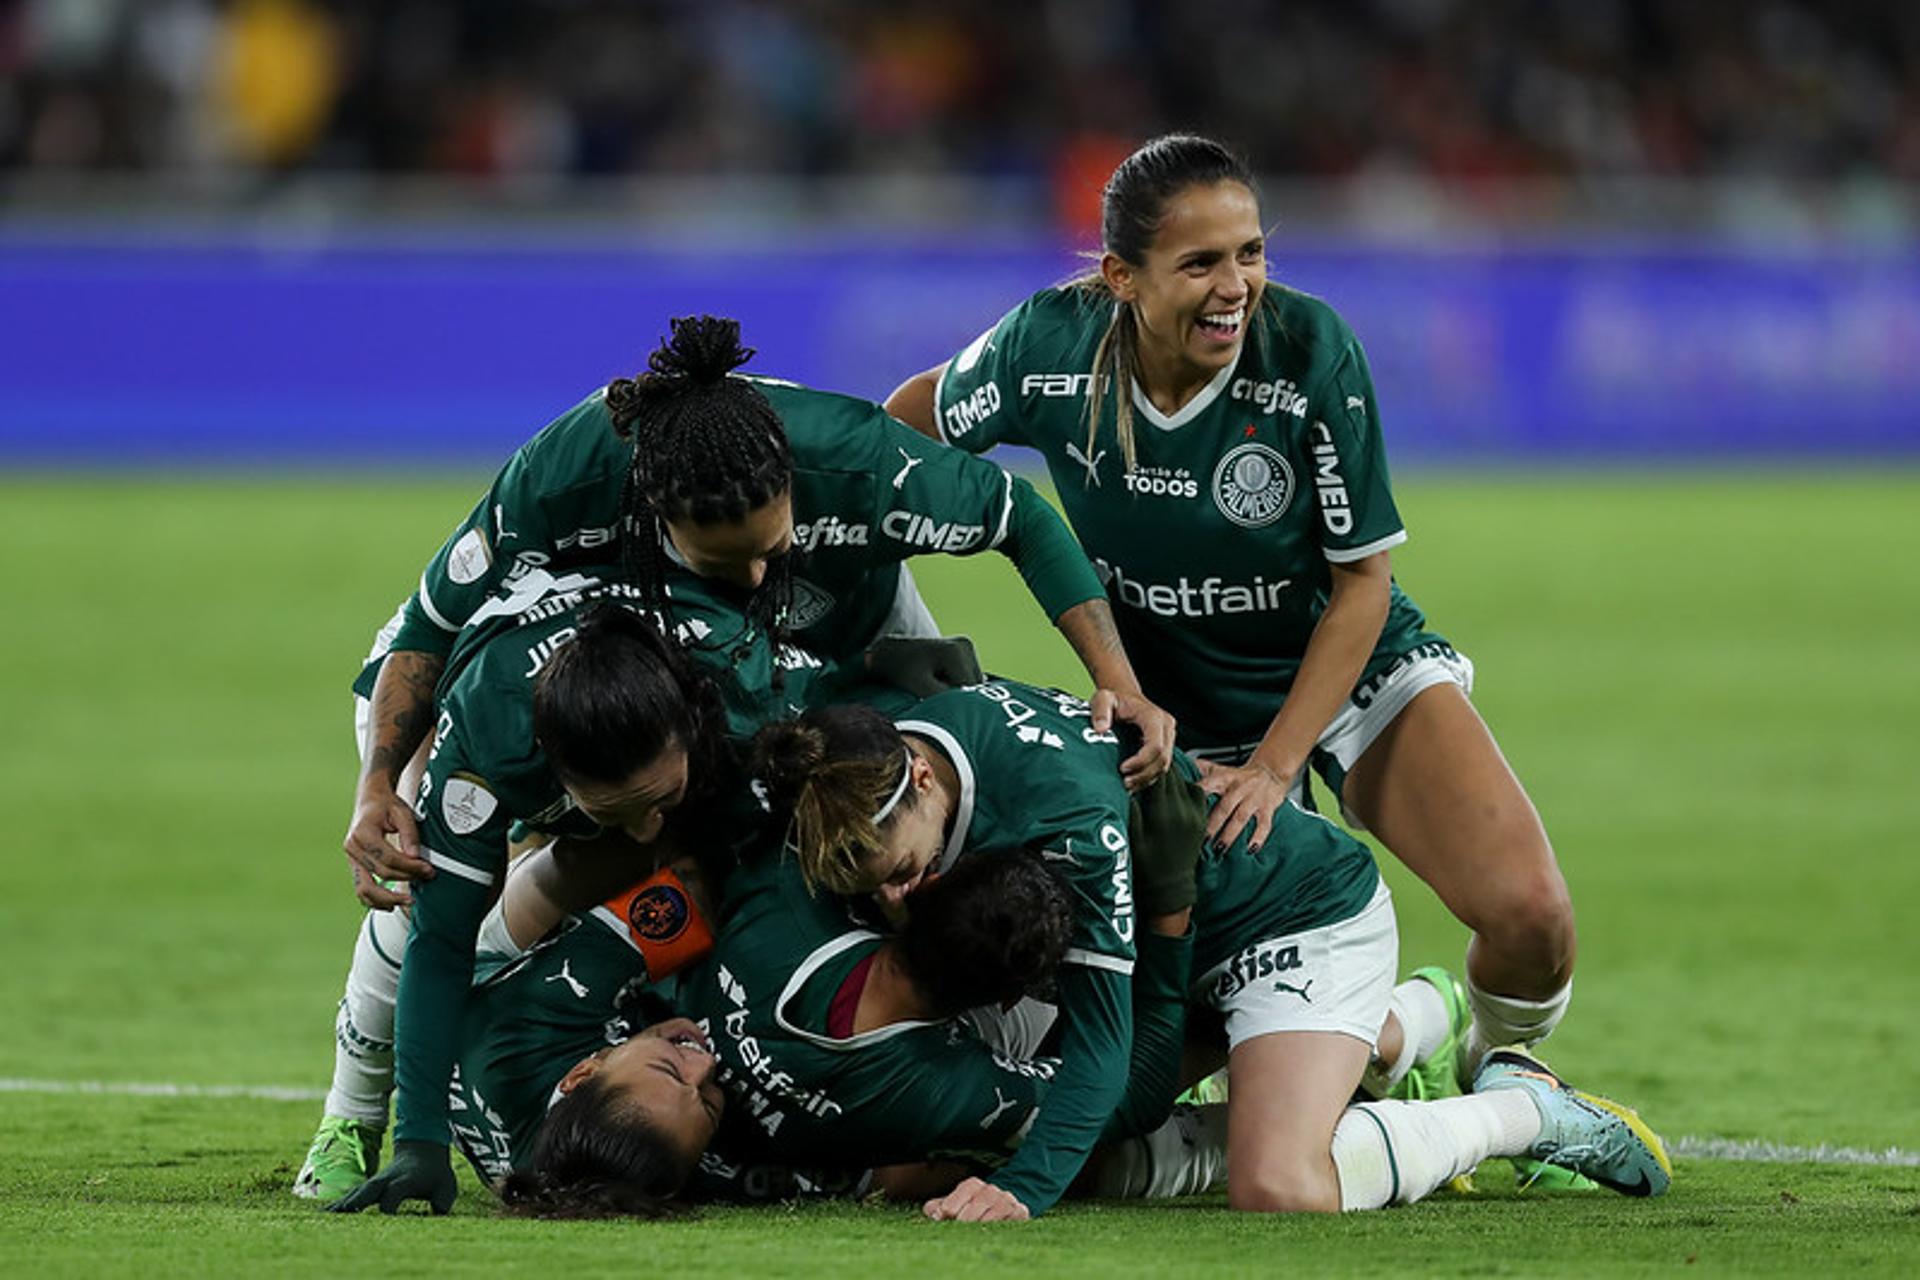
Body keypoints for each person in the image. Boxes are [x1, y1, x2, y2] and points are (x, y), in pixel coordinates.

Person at [885, 134, 1578, 1104]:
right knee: (1229, 1041)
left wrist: (1278, 765)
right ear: (1122, 276)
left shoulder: (1308, 352)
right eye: (1202, 262)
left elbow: (1363, 584)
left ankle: (1499, 1060)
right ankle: (1408, 1028)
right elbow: (903, 428)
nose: (1236, 285)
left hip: (1346, 672)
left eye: (1250, 253)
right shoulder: (1049, 349)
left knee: (1532, 915)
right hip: (1181, 718)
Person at [343, 315, 1174, 911]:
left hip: (863, 623)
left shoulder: (859, 462)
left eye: (771, 548)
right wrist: (382, 786)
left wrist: (1119, 682)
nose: (753, 573)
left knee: (929, 815)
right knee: (432, 858)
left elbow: (1018, 518)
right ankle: (352, 1117)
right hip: (661, 648)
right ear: (655, 517)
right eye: (721, 559)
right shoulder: (570, 475)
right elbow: (428, 629)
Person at [320, 600, 727, 1215]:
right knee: (458, 864)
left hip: (490, 975)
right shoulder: (609, 1152)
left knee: (422, 885)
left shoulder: (547, 1014)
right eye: (711, 1097)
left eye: (678, 1074)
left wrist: (418, 1137)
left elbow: (695, 890)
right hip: (449, 668)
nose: (708, 1065)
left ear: (581, 1075)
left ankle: (348, 1114)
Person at [753, 682, 1208, 1221]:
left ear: (922, 777)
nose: (894, 901)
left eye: (901, 873)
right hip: (1113, 940)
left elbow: (1109, 1053)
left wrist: (1023, 1188)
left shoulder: (1068, 824)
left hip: (1245, 917)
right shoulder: (863, 760)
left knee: (1275, 1181)